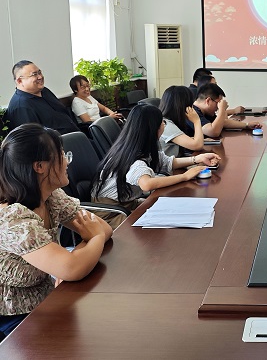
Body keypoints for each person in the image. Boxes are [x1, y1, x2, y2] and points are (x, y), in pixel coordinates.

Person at [0, 124, 113, 337]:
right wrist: (92, 239)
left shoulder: (51, 196)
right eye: (62, 155)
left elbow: (104, 228)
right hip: (13, 317)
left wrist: (73, 258)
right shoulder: (12, 219)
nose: (68, 161)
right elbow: (74, 266)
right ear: (39, 166)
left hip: (48, 298)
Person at [92, 104, 220, 211]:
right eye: (162, 122)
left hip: (126, 201)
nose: (164, 125)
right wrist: (184, 176)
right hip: (110, 209)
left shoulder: (137, 146)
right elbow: (146, 184)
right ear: (154, 128)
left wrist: (197, 159)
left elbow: (166, 162)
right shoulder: (135, 158)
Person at [7, 60, 79, 134]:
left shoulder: (44, 91)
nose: (40, 77)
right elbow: (33, 138)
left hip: (77, 134)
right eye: (34, 74)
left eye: (39, 72)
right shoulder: (21, 106)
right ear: (20, 81)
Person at [192, 83, 261, 138]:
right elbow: (214, 132)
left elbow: (223, 123)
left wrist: (247, 125)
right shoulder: (193, 112)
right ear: (208, 101)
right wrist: (222, 109)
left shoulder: (205, 112)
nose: (217, 108)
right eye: (218, 103)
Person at [158, 85, 205, 157]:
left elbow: (181, 140)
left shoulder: (168, 121)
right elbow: (197, 146)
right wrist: (196, 121)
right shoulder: (166, 124)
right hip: (170, 164)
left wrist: (201, 139)